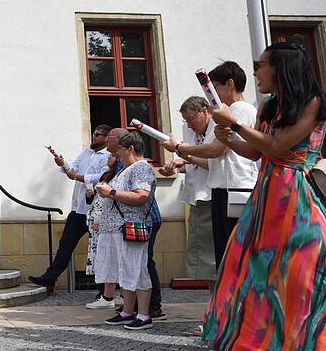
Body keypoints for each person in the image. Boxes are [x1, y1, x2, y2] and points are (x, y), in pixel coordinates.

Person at [203, 43, 326, 349]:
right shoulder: (269, 106)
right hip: (265, 196)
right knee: (249, 267)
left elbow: (277, 146)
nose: (255, 72)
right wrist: (229, 139)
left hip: (297, 197)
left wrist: (234, 123)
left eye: (261, 65)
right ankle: (261, 338)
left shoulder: (312, 102)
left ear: (282, 68)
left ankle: (300, 338)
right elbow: (257, 152)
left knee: (298, 271)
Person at [163, 61, 258, 270]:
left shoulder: (239, 109)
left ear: (230, 84)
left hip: (236, 189)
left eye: (215, 88)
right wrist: (184, 153)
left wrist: (179, 147)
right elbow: (212, 159)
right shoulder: (228, 112)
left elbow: (216, 149)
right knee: (224, 256)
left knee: (235, 256)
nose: (212, 95)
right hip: (223, 189)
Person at [28, 125, 111, 299]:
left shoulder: (108, 156)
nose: (94, 137)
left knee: (99, 249)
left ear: (106, 138)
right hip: (79, 209)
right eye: (93, 134)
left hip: (97, 210)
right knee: (66, 244)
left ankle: (104, 291)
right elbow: (72, 169)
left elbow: (103, 177)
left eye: (97, 135)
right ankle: (50, 278)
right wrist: (63, 164)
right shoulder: (86, 152)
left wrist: (78, 177)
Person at [95, 132, 157, 331]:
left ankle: (144, 315)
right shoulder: (127, 169)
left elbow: (141, 196)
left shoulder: (141, 168)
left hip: (130, 227)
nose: (117, 153)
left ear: (131, 148)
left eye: (120, 149)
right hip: (118, 228)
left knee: (137, 269)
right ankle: (127, 312)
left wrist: (111, 192)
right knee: (125, 270)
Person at [159, 97, 216, 282]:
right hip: (196, 196)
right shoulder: (190, 130)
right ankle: (212, 297)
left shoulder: (217, 128)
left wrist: (183, 153)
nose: (189, 125)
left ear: (205, 111)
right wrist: (178, 166)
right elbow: (194, 164)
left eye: (191, 119)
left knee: (211, 257)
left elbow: (213, 164)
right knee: (201, 255)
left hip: (211, 195)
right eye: (186, 121)